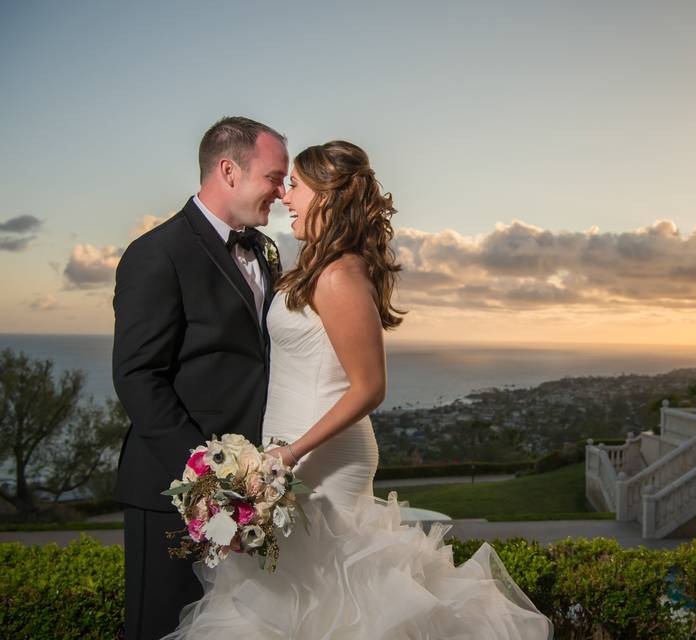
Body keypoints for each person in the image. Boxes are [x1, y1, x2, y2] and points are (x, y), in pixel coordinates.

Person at [164, 140, 554, 638]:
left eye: (297, 186)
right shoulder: (313, 267)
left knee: (332, 604)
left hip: (320, 460)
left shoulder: (339, 276)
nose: (286, 196)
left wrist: (289, 454)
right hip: (290, 455)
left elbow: (370, 387)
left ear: (326, 197)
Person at [112, 116, 288, 639]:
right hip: (176, 488)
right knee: (164, 628)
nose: (282, 192)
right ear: (229, 170)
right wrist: (209, 484)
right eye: (274, 178)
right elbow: (138, 376)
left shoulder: (264, 250)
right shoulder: (157, 253)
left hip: (254, 489)